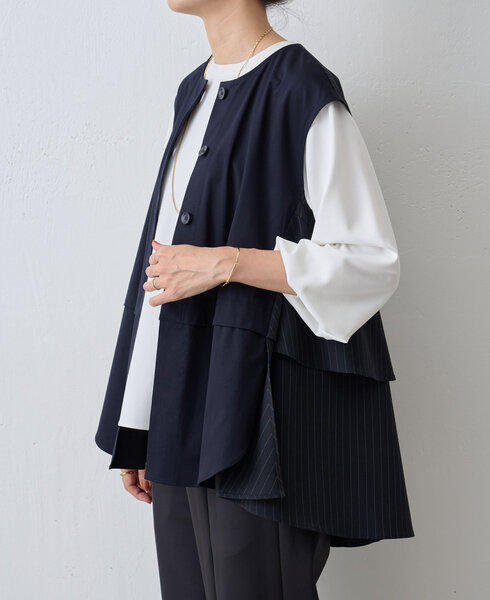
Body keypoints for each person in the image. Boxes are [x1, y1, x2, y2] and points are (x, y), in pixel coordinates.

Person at [95, 1, 415, 598]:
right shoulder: (193, 90)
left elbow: (369, 262)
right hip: (182, 409)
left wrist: (227, 262)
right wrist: (139, 422)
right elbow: (163, 268)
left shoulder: (301, 87)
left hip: (258, 410)